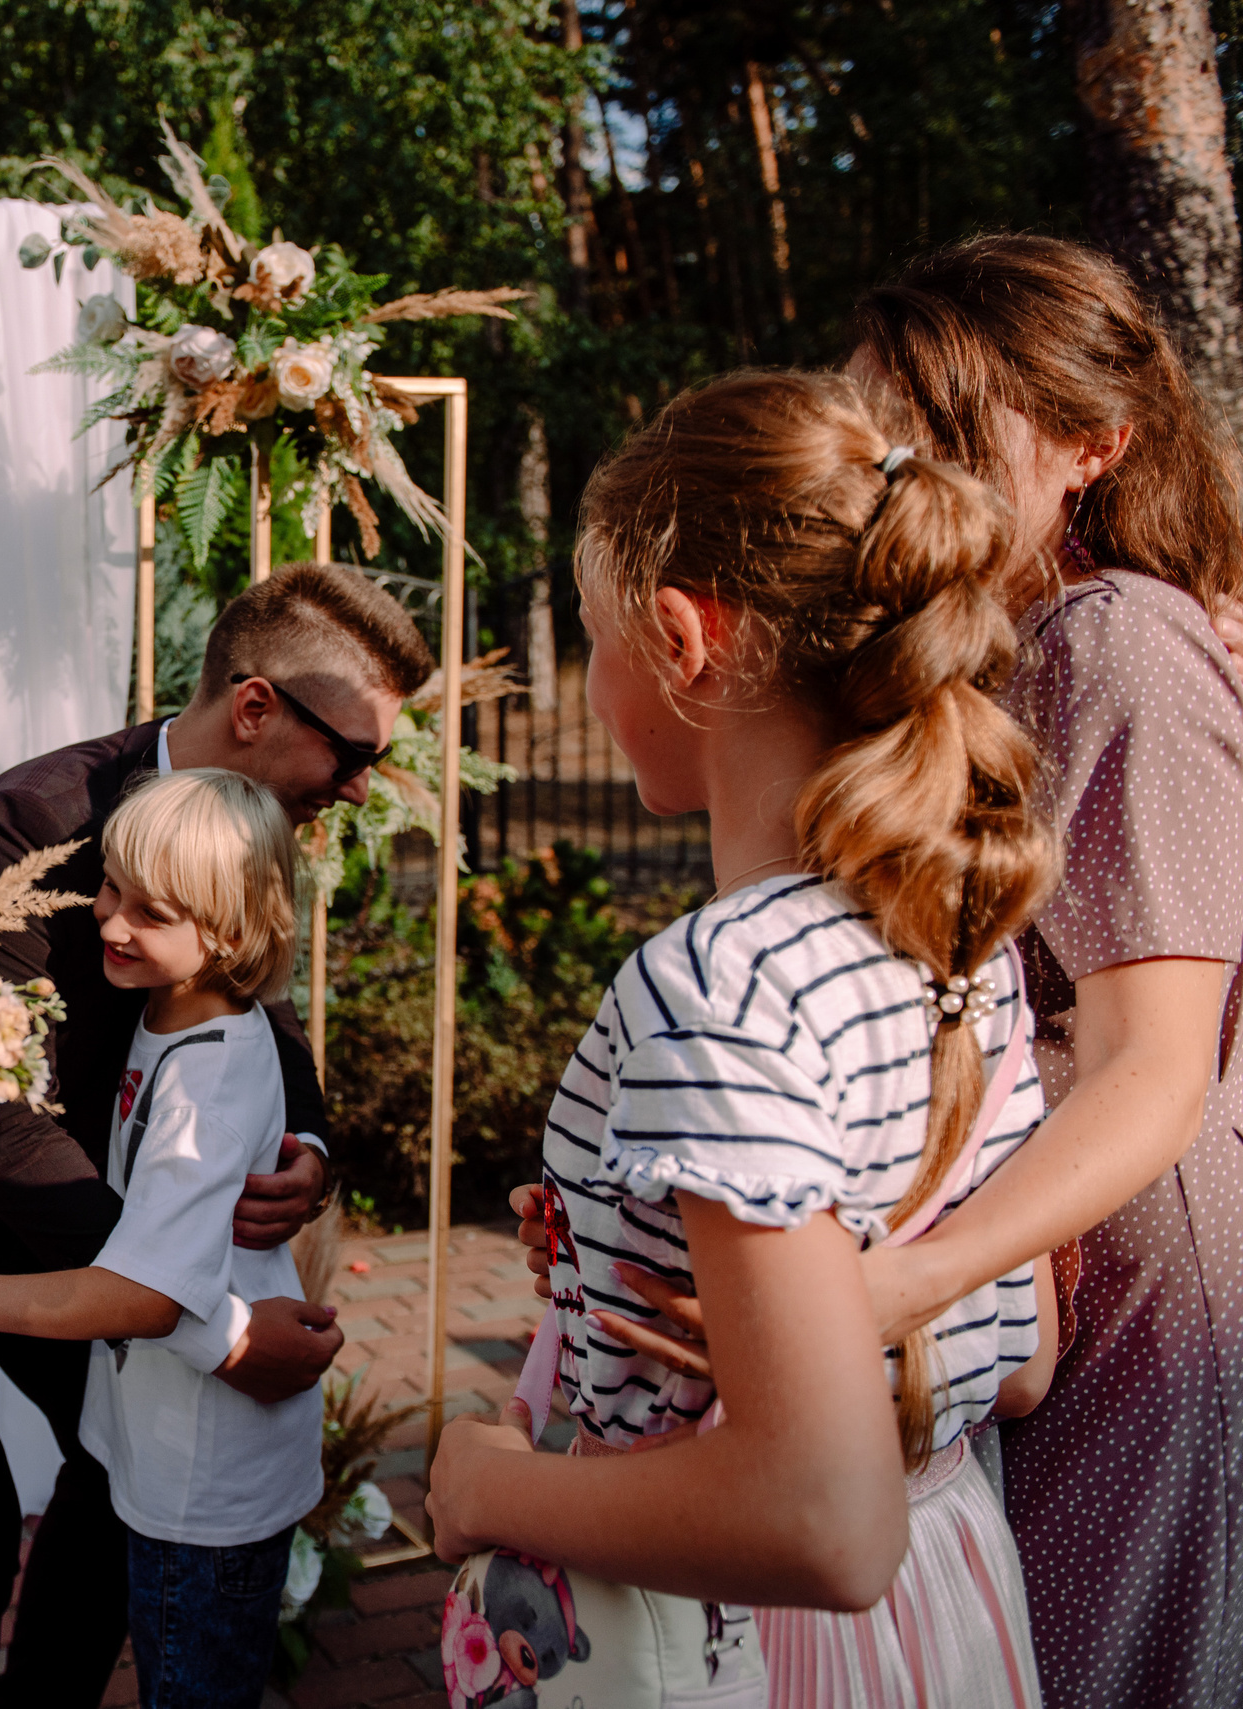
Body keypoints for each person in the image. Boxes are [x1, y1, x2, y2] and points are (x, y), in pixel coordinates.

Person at [523, 236, 1243, 1709]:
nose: (911, 471)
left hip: (1114, 1256)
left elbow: (1156, 1065)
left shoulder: (1116, 644)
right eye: (890, 429)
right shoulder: (1007, 655)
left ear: (1096, 445)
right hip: (1004, 1251)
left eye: (948, 431)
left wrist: (890, 1282)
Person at [429, 371, 1058, 1705]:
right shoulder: (957, 929)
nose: (592, 685)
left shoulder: (719, 984)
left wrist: (496, 1482)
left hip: (750, 1650)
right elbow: (1021, 1356)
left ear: (679, 636)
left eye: (595, 638)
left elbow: (822, 1522)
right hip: (947, 1594)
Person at [0, 563, 431, 1707]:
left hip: (76, 1226)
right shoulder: (28, 829)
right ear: (259, 707)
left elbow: (250, 980)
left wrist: (310, 1143)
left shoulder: (237, 825)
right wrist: (197, 1312)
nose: (363, 788)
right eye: (355, 753)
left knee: (113, 1460)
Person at [0, 769, 322, 1709]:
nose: (111, 922)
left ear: (231, 931)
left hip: (203, 1480)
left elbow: (144, 1293)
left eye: (150, 910)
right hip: (165, 1446)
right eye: (111, 890)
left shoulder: (208, 1085)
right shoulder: (166, 1011)